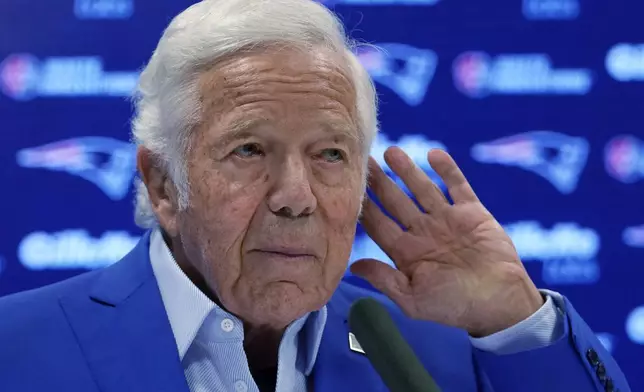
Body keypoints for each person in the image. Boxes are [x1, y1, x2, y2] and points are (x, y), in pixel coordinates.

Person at [0, 0, 630, 391]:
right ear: (164, 181)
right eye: (250, 150)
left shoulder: (439, 349)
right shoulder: (18, 347)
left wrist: (513, 321)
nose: (296, 198)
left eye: (330, 154)